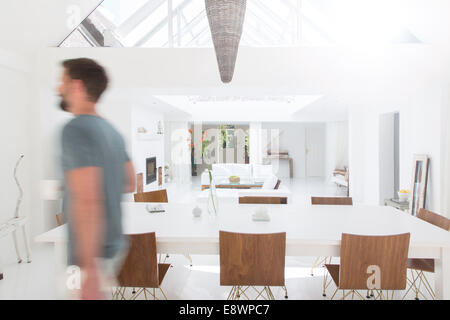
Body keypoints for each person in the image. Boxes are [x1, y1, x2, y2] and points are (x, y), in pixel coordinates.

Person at [58, 58, 136, 299]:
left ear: (77, 86)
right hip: (114, 247)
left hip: (89, 256)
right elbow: (130, 181)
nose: (58, 88)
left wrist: (89, 265)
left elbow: (88, 200)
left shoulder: (76, 129)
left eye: (62, 82)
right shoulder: (112, 131)